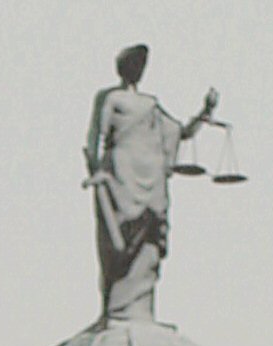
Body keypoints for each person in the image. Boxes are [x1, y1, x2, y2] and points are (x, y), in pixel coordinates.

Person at [83, 46, 218, 321]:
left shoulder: (151, 105)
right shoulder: (110, 98)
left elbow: (181, 133)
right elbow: (95, 136)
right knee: (117, 245)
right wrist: (96, 170)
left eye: (142, 64)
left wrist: (205, 111)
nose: (139, 69)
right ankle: (117, 311)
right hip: (121, 177)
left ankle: (140, 312)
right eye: (135, 64)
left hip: (151, 178)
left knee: (149, 243)